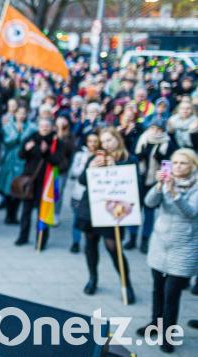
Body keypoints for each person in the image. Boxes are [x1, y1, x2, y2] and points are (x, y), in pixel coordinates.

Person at [136, 149, 198, 353]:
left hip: (184, 246)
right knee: (157, 288)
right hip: (161, 243)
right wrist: (160, 185)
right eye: (175, 163)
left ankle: (168, 333)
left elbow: (191, 213)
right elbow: (149, 203)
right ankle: (155, 323)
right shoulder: (167, 181)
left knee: (172, 293)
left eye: (183, 163)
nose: (178, 166)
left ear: (193, 166)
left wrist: (174, 193)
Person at [77, 127, 138, 303]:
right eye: (103, 142)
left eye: (109, 140)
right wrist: (90, 168)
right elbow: (82, 181)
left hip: (113, 213)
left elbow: (134, 186)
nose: (106, 145)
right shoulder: (95, 158)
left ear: (118, 140)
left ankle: (126, 284)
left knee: (113, 248)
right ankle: (93, 278)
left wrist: (116, 168)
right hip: (91, 209)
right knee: (90, 245)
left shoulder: (128, 159)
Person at [128, 118, 176, 253]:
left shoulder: (168, 144)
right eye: (153, 128)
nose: (155, 131)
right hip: (138, 179)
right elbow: (132, 155)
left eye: (159, 129)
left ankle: (145, 240)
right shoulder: (142, 139)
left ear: (163, 130)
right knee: (134, 210)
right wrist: (139, 157)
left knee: (149, 211)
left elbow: (169, 165)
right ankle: (132, 238)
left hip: (154, 182)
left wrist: (161, 160)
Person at [15, 118, 61, 250]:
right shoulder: (31, 138)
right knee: (26, 212)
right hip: (30, 182)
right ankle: (22, 237)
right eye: (42, 126)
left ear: (52, 127)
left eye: (47, 125)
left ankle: (41, 240)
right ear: (38, 127)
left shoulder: (56, 142)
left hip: (47, 183)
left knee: (43, 213)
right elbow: (20, 155)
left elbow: (57, 161)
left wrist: (46, 152)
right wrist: (25, 149)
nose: (44, 128)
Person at [0, 105, 35, 224]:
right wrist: (17, 134)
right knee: (9, 187)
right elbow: (7, 142)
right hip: (9, 160)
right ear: (15, 114)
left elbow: (31, 143)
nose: (21, 116)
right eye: (19, 113)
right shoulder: (7, 127)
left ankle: (14, 215)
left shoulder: (32, 128)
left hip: (23, 160)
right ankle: (9, 214)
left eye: (24, 113)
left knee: (19, 187)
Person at [68, 132, 100, 254]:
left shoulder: (101, 156)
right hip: (79, 193)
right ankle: (75, 242)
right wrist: (87, 166)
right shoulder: (80, 155)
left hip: (95, 194)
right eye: (90, 141)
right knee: (77, 218)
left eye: (95, 141)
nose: (92, 144)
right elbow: (74, 172)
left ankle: (89, 244)